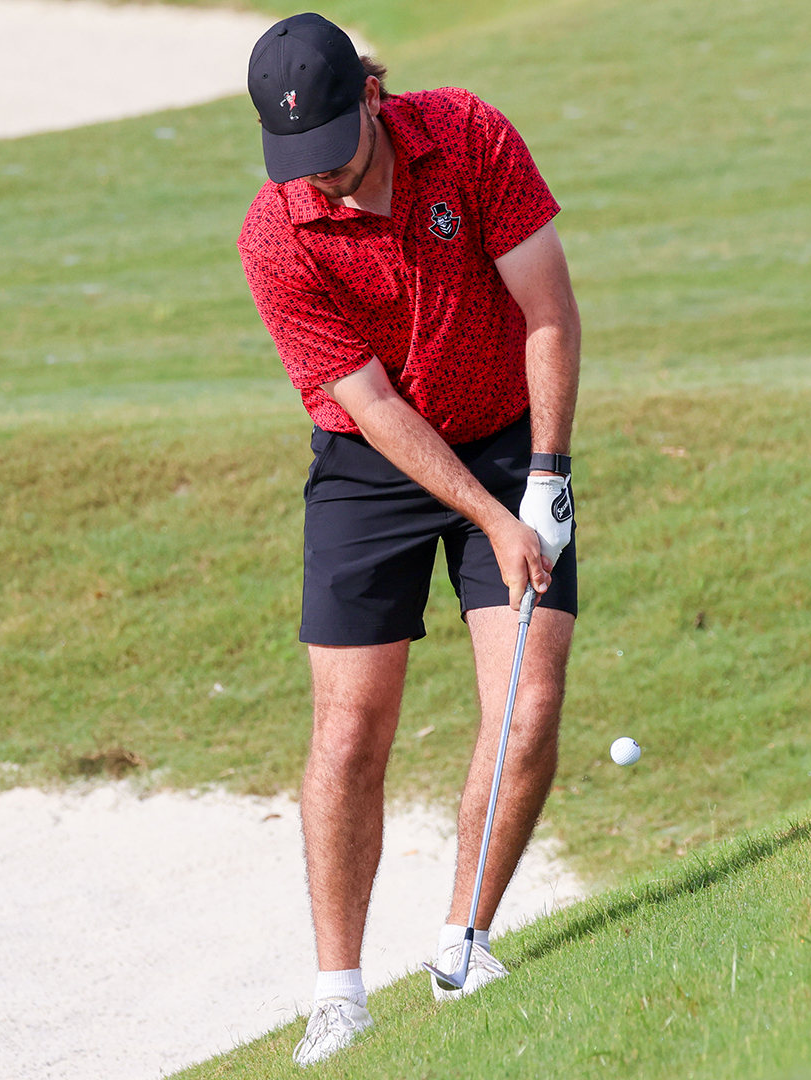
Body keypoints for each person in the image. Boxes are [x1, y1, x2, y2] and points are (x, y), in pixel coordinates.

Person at [236, 12, 582, 1067]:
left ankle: (461, 945)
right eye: (299, 161)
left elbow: (549, 309)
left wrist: (546, 479)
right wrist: (487, 520)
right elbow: (373, 405)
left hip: (507, 438)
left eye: (334, 151)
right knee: (348, 735)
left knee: (528, 704)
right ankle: (338, 994)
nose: (322, 181)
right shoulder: (275, 231)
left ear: (372, 98)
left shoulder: (470, 137)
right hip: (367, 468)